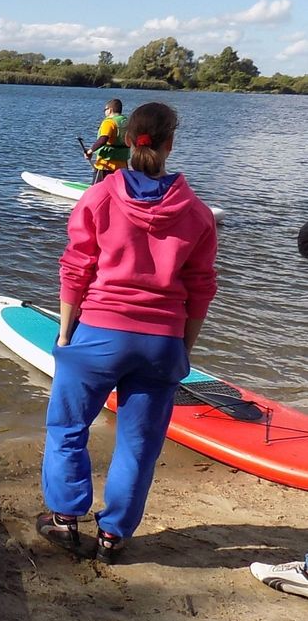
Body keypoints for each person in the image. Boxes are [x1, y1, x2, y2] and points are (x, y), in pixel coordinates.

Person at [34, 102, 218, 565]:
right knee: (138, 445)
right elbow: (200, 290)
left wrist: (64, 334)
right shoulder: (196, 213)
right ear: (170, 143)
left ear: (127, 137)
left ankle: (64, 520)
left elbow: (76, 268)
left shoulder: (98, 197)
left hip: (98, 333)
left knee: (68, 429)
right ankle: (113, 536)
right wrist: (182, 349)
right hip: (161, 341)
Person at [83, 98, 129, 184]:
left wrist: (90, 151)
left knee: (97, 190)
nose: (105, 112)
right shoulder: (127, 122)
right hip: (122, 167)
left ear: (110, 110)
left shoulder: (109, 122)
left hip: (106, 166)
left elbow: (103, 139)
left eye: (105, 109)